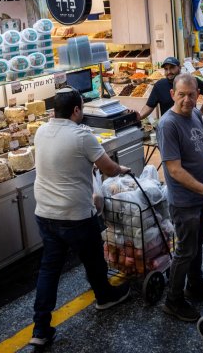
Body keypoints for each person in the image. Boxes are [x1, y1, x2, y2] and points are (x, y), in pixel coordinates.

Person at [30, 88, 132, 350]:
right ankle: (104, 296)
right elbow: (109, 168)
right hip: (75, 213)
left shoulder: (41, 131)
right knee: (93, 258)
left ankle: (40, 329)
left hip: (45, 212)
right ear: (76, 110)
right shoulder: (82, 135)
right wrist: (122, 169)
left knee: (49, 270)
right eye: (82, 109)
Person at [157, 73, 203, 321]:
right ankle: (173, 300)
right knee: (185, 251)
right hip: (185, 201)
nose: (187, 100)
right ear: (172, 95)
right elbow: (174, 170)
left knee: (197, 245)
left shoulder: (196, 114)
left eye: (191, 94)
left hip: (201, 197)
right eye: (181, 95)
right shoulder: (168, 124)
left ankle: (195, 285)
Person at [137, 57, 203, 121]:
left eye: (172, 68)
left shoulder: (191, 81)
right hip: (170, 125)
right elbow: (149, 106)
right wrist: (139, 117)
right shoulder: (159, 85)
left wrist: (200, 113)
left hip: (191, 122)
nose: (169, 72)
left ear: (179, 68)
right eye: (166, 69)